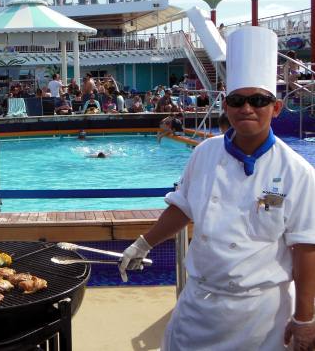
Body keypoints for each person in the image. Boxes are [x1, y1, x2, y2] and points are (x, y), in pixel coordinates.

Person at [120, 26, 315, 351]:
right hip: (199, 307)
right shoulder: (204, 153)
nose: (247, 108)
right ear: (226, 106)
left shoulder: (298, 172)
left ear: (276, 107)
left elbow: (306, 248)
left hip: (261, 316)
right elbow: (183, 207)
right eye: (237, 100)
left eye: (258, 100)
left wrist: (305, 319)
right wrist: (143, 243)